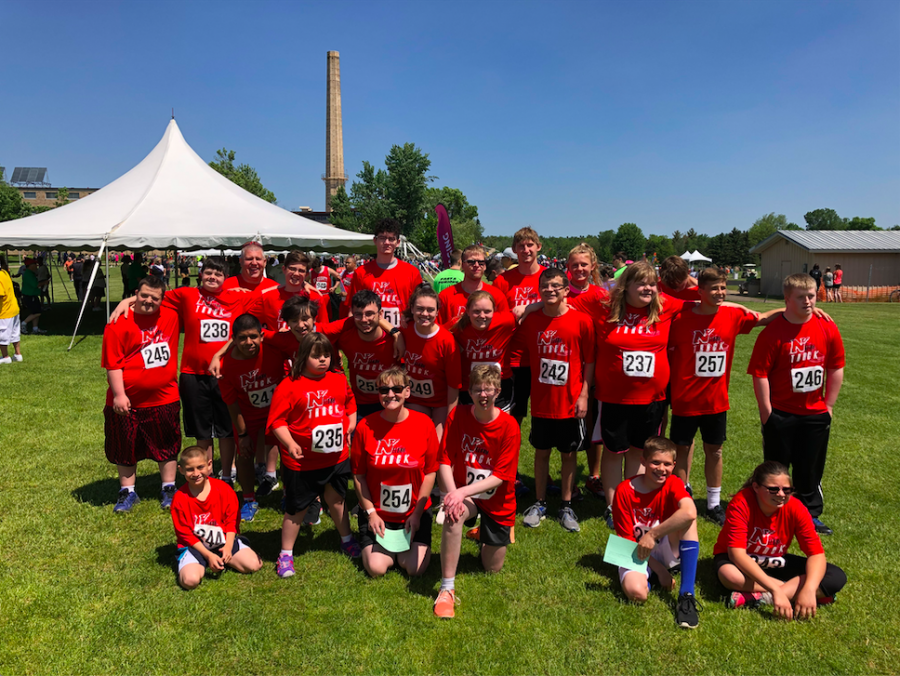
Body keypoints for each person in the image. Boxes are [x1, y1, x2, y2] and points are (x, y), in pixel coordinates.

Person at [668, 267, 770, 525]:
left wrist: (807, 309)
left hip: (715, 400)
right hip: (685, 399)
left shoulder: (732, 315)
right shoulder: (680, 318)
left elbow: (763, 318)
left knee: (715, 451)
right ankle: (683, 497)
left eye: (723, 288)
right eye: (714, 288)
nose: (720, 293)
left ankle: (713, 503)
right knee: (681, 449)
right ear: (700, 291)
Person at [589, 262, 685, 528]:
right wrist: (530, 306)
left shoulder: (665, 308)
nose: (648, 289)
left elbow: (703, 298)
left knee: (639, 452)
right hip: (614, 397)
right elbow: (566, 295)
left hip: (652, 399)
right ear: (626, 287)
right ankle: (612, 506)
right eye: (641, 283)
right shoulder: (605, 308)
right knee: (613, 452)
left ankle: (631, 502)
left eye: (652, 284)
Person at [748, 273, 844, 535]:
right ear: (787, 299)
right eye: (801, 297)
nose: (808, 301)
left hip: (815, 413)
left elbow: (836, 367)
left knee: (810, 466)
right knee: (777, 467)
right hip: (780, 414)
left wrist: (829, 405)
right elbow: (760, 374)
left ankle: (809, 514)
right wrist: (767, 412)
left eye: (811, 296)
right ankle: (772, 511)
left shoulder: (827, 327)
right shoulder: (773, 333)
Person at [267, 333, 360, 578]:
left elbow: (350, 405)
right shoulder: (289, 385)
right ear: (302, 357)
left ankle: (347, 539)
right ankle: (285, 554)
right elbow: (277, 421)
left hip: (336, 459)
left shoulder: (339, 380)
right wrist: (289, 443)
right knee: (296, 509)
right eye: (315, 355)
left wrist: (350, 426)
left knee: (337, 501)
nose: (322, 360)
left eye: (326, 355)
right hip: (302, 462)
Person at [433, 365, 521, 618]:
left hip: (497, 500)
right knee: (452, 514)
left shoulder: (509, 426)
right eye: (478, 389)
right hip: (466, 494)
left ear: (498, 391)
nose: (483, 394)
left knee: (491, 568)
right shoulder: (457, 415)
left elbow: (500, 478)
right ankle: (447, 589)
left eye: (489, 389)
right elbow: (445, 460)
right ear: (469, 392)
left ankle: (483, 532)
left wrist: (460, 493)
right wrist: (453, 495)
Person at [714, 461, 846, 617]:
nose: (781, 495)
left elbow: (816, 554)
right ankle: (810, 593)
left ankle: (759, 598)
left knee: (836, 576)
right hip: (738, 560)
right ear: (756, 487)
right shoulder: (741, 503)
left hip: (773, 560)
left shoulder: (796, 508)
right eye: (773, 489)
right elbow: (737, 555)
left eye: (787, 490)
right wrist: (776, 590)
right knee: (729, 575)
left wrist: (809, 588)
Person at [520, 269, 594, 532]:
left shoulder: (581, 321)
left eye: (556, 286)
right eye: (545, 286)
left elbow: (590, 361)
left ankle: (566, 503)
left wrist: (584, 394)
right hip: (541, 402)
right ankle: (539, 503)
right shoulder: (530, 320)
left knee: (568, 454)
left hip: (570, 402)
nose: (550, 290)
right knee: (541, 453)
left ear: (566, 290)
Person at [101, 276, 182, 512]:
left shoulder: (171, 314)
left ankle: (168, 487)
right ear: (136, 292)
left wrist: (127, 299)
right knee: (125, 445)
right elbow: (113, 363)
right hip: (128, 400)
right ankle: (127, 491)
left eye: (154, 298)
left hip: (165, 397)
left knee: (167, 444)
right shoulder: (119, 322)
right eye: (143, 295)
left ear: (163, 299)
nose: (148, 301)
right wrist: (119, 394)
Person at [351, 367, 439, 578]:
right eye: (384, 390)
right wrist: (371, 513)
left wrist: (417, 513)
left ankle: (402, 548)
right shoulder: (365, 426)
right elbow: (358, 475)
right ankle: (386, 547)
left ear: (407, 392)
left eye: (396, 389)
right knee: (376, 568)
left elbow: (430, 472)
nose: (390, 394)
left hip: (413, 514)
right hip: (379, 514)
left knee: (414, 569)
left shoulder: (424, 424)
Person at [611, 437, 701, 629]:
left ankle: (686, 596)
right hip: (635, 549)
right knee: (638, 594)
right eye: (655, 462)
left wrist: (651, 535)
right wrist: (659, 569)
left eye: (667, 464)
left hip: (664, 544)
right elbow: (625, 542)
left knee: (688, 519)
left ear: (674, 465)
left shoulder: (673, 483)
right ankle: (650, 575)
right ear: (643, 462)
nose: (661, 469)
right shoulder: (624, 491)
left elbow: (690, 511)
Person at [217, 314, 287, 521]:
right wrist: (243, 433)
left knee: (289, 451)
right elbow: (231, 403)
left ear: (262, 336)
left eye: (253, 337)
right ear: (234, 339)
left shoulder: (275, 350)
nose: (249, 343)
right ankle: (249, 499)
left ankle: (288, 494)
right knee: (245, 453)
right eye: (242, 338)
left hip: (277, 411)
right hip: (247, 414)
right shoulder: (226, 366)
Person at [171, 446, 263, 590]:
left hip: (224, 541)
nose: (196, 473)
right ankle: (202, 561)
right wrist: (208, 555)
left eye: (200, 467)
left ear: (209, 465)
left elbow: (231, 521)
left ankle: (225, 556)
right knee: (190, 581)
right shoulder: (179, 499)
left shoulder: (224, 489)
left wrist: (228, 546)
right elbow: (185, 534)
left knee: (253, 565)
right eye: (190, 469)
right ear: (181, 470)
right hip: (195, 547)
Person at [492, 228, 546, 430]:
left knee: (545, 416)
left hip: (545, 355)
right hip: (514, 357)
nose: (526, 250)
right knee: (514, 414)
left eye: (530, 245)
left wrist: (531, 307)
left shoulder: (549, 278)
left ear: (538, 247)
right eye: (521, 246)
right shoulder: (502, 281)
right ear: (514, 249)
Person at [565, 243, 606, 497]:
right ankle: (566, 478)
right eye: (574, 265)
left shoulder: (603, 295)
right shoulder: (560, 294)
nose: (579, 269)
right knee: (567, 423)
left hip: (597, 367)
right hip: (568, 368)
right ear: (568, 268)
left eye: (584, 264)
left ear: (592, 267)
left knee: (593, 422)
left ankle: (594, 475)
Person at [400, 284, 461, 439]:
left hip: (441, 402)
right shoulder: (406, 330)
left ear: (437, 312)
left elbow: (453, 384)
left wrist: (451, 418)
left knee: (438, 443)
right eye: (420, 309)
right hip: (415, 399)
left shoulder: (446, 340)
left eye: (430, 310)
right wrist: (396, 334)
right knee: (417, 439)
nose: (425, 314)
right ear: (412, 309)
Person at [340, 218, 423, 328]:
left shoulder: (412, 272)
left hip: (402, 335)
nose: (387, 242)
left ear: (398, 242)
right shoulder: (361, 272)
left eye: (391, 239)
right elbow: (352, 308)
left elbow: (420, 306)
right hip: (370, 336)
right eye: (382, 238)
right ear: (375, 240)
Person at [451, 290, 517, 413]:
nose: (482, 316)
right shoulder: (458, 326)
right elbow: (434, 330)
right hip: (470, 385)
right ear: (468, 311)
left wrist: (532, 306)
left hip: (500, 384)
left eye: (487, 311)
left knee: (500, 423)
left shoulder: (505, 321)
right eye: (476, 311)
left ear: (494, 311)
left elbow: (525, 312)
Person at [245, 251, 329, 330]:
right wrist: (276, 337)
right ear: (284, 269)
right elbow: (250, 326)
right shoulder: (267, 297)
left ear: (306, 274)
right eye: (292, 269)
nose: (296, 273)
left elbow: (324, 330)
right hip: (277, 345)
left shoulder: (315, 297)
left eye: (301, 271)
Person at [438, 245, 509, 325]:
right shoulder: (445, 296)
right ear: (462, 265)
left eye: (481, 262)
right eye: (471, 262)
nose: (476, 265)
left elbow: (504, 326)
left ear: (485, 266)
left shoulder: (497, 296)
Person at [0, 256, 23, 364]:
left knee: (3, 334)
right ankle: (17, 354)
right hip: (14, 308)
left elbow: (1, 294)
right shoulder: (5, 273)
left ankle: (5, 357)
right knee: (14, 333)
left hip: (5, 310)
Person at [20, 259, 46, 335]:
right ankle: (23, 323)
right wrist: (44, 282)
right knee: (37, 312)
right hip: (30, 296)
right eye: (35, 264)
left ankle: (35, 328)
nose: (36, 266)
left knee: (35, 312)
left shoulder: (30, 273)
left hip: (33, 295)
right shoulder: (28, 274)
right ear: (30, 266)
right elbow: (35, 284)